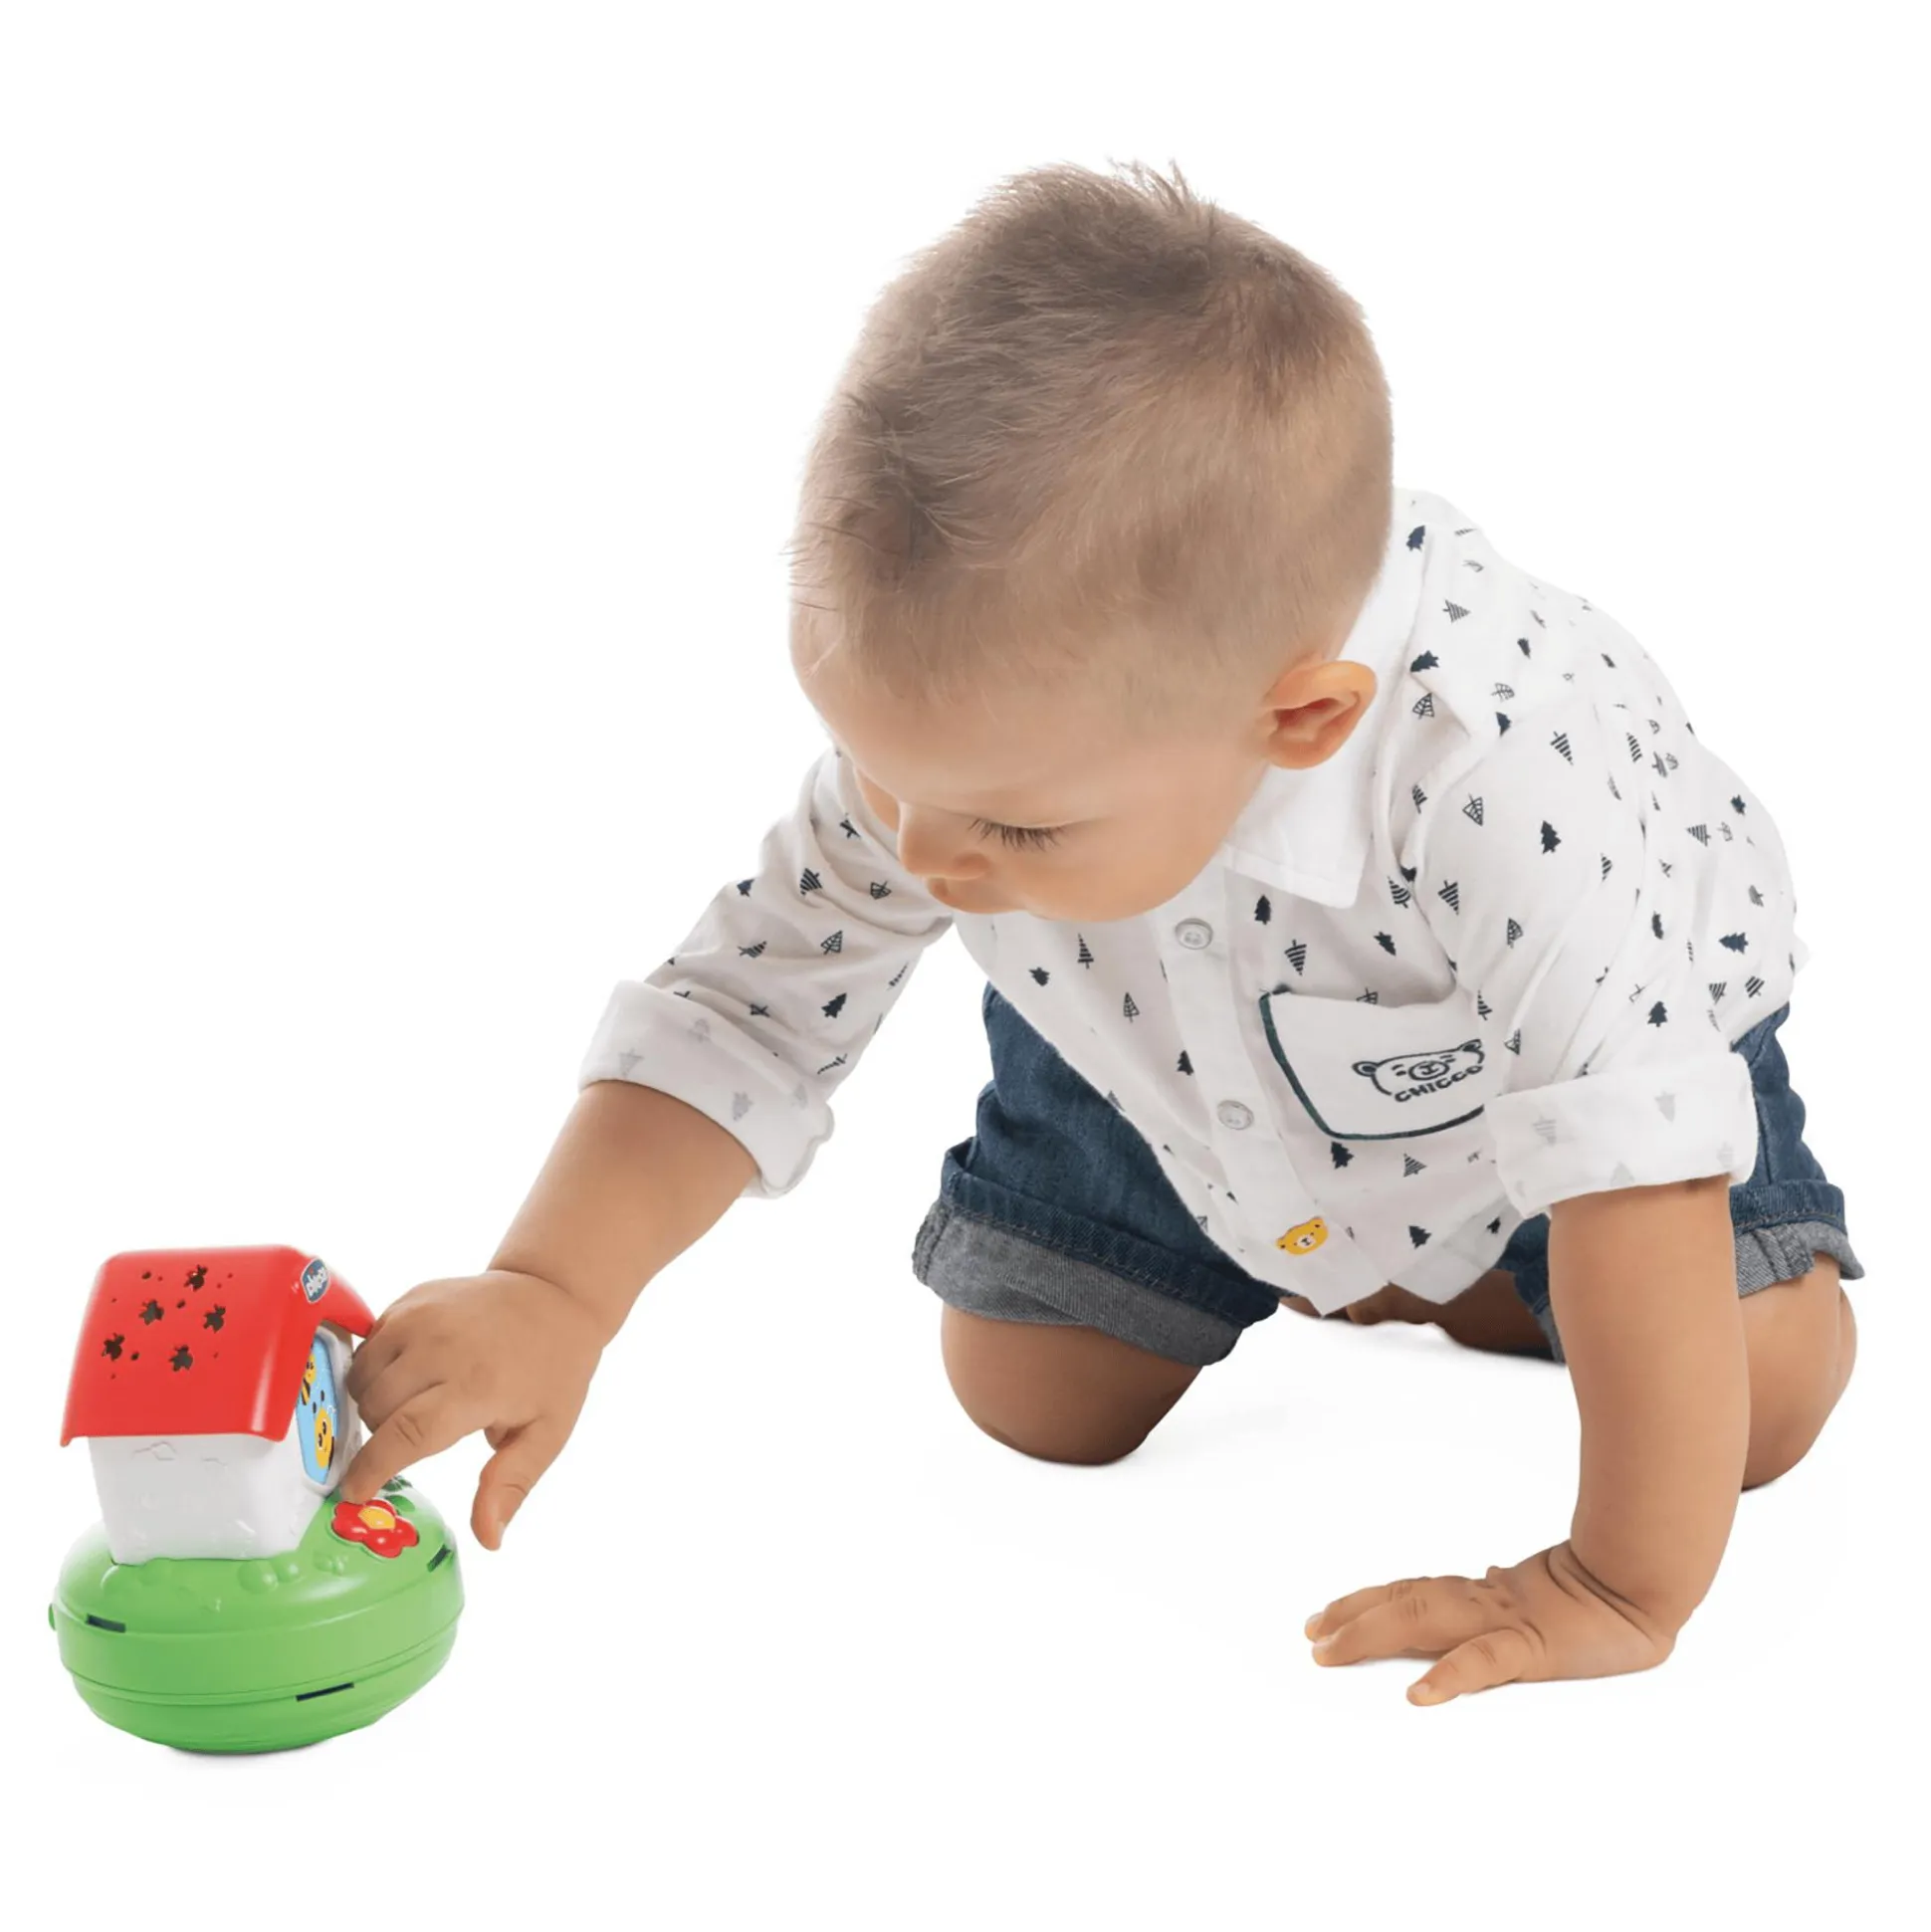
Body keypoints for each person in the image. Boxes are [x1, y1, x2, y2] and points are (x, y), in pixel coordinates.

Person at [339, 159, 1863, 1705]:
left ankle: (1483, 1262)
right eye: (880, 771)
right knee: (1031, 1394)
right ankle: (1353, 1261)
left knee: (1761, 1399)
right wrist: (555, 1290)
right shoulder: (984, 751)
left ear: (1299, 718)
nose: (921, 855)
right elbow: (745, 1010)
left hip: (1557, 1081)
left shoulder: (1501, 767)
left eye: (1012, 826)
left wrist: (1618, 1578)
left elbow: (1633, 1145)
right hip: (1145, 1040)